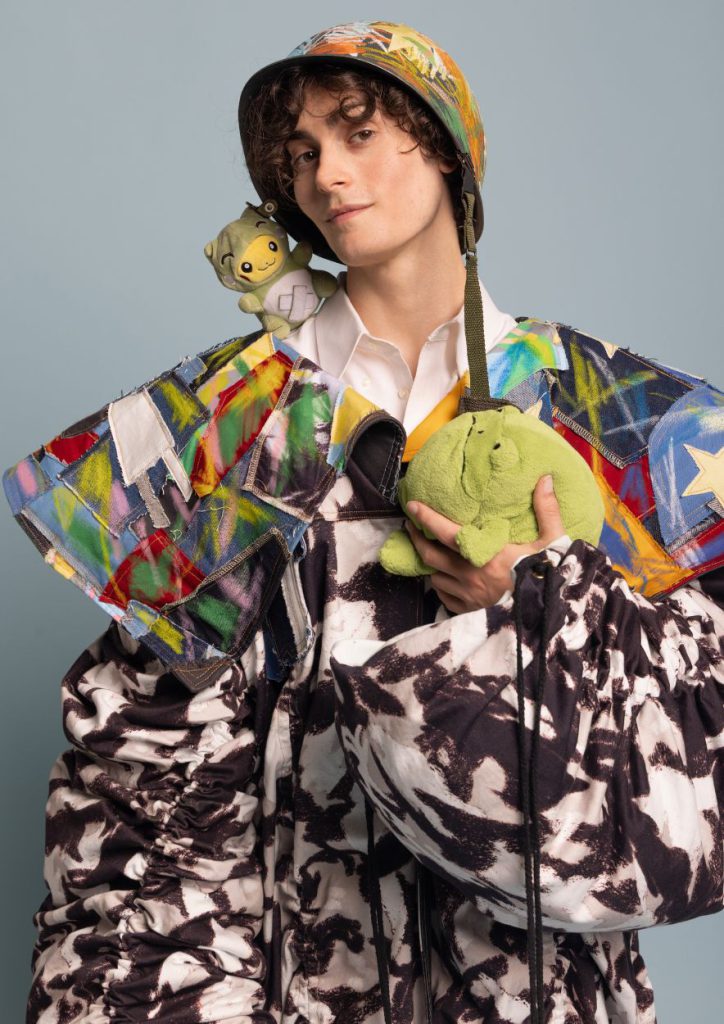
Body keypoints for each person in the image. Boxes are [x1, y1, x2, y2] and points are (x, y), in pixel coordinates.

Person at [23, 20, 722, 1024]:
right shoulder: (226, 418)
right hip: (287, 965)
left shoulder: (608, 412)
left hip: (530, 977)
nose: (327, 175)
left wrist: (540, 603)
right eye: (302, 153)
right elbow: (144, 756)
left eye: (358, 135)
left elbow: (690, 718)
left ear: (445, 150)